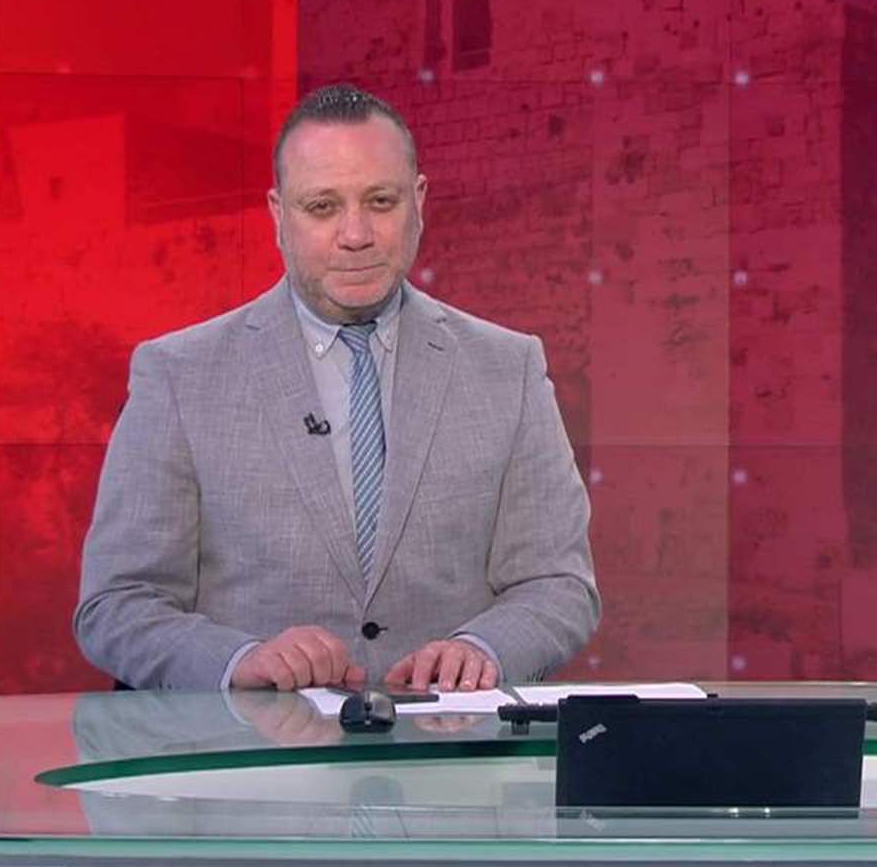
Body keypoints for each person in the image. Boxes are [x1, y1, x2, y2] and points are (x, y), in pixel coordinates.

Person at [75, 83, 599, 693]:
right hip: (247, 747)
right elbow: (117, 604)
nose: (355, 234)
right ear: (279, 216)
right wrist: (239, 661)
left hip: (450, 743)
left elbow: (559, 586)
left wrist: (483, 650)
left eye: (380, 201)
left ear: (419, 202)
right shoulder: (179, 375)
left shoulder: (508, 368)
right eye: (322, 207)